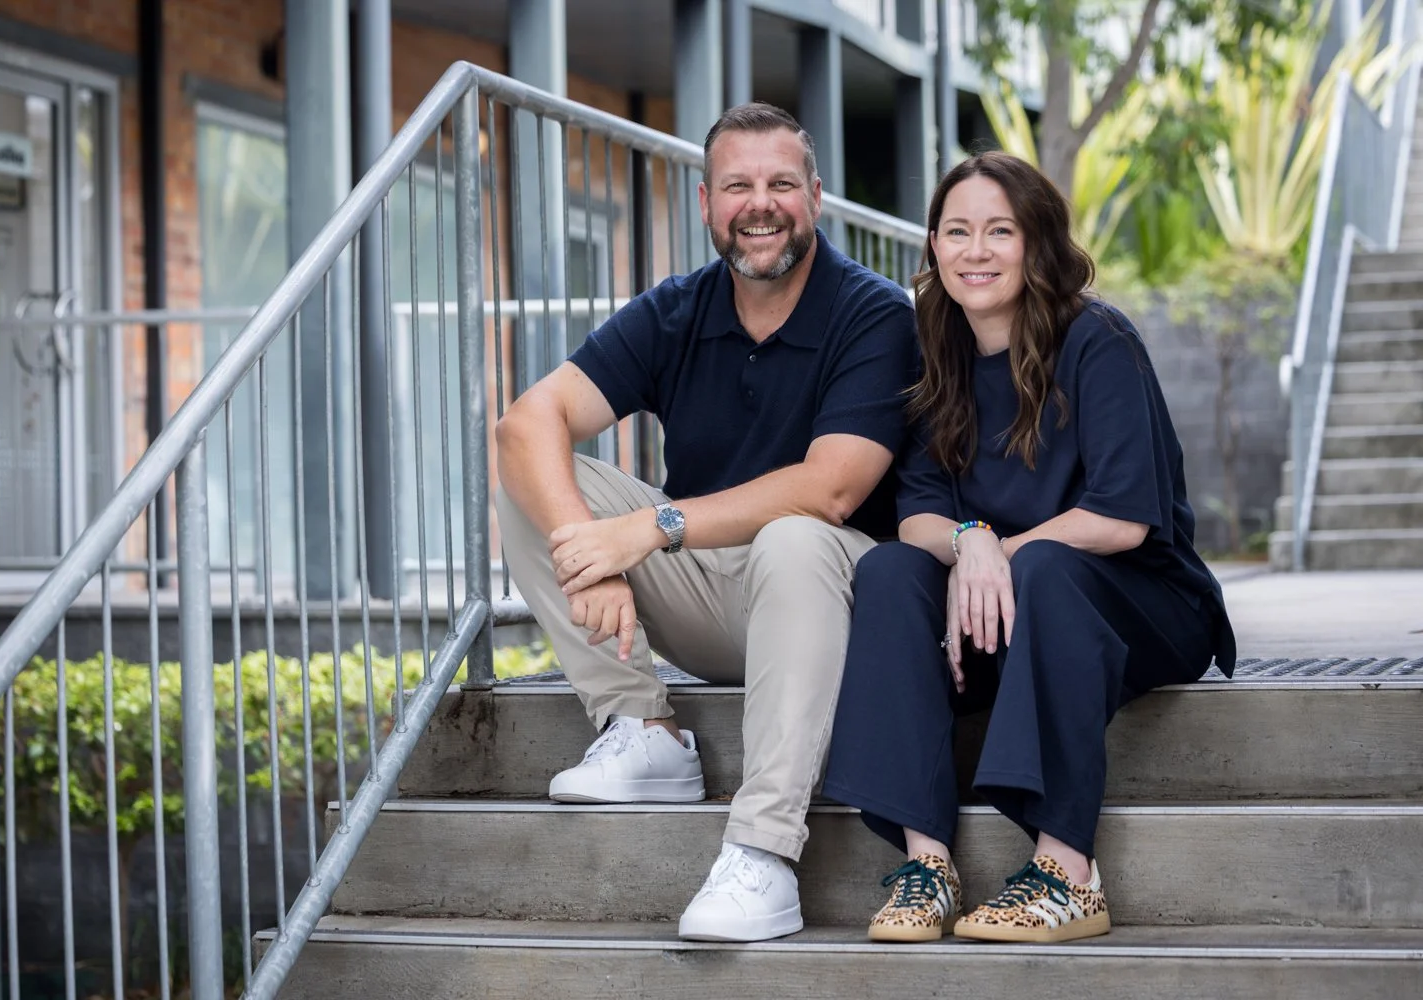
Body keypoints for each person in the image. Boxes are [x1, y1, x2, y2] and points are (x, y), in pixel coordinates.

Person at [494, 103, 919, 943]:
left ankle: (763, 853)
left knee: (794, 535)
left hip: (831, 600)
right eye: (738, 186)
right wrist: (601, 554)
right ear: (705, 204)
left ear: (817, 197)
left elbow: (833, 488)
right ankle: (640, 726)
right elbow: (529, 420)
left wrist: (648, 530)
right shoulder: (678, 311)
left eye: (781, 184)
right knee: (526, 467)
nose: (760, 205)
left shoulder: (875, 314)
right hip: (708, 594)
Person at [820, 151, 1238, 945]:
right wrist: (971, 543)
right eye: (957, 231)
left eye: (999, 231)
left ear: (1035, 241)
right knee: (888, 569)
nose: (976, 251)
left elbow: (1121, 521)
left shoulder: (1097, 340)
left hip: (1141, 607)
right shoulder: (936, 353)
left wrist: (994, 553)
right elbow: (916, 519)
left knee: (1045, 565)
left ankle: (1068, 874)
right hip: (1007, 615)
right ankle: (928, 864)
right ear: (934, 249)